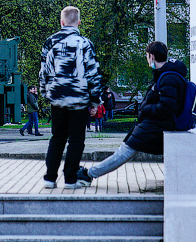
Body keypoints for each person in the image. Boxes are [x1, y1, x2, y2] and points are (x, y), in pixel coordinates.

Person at [76, 41, 187, 186]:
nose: (147, 59)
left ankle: (88, 175)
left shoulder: (168, 78)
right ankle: (89, 173)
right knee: (123, 151)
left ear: (151, 56)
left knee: (123, 153)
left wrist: (145, 109)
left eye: (147, 56)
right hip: (155, 126)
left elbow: (167, 107)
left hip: (155, 127)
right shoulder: (167, 75)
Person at [39, 6, 102, 189]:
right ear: (79, 22)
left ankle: (50, 178)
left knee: (56, 138)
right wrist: (95, 101)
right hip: (79, 99)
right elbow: (93, 74)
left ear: (61, 22)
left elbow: (43, 72)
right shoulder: (85, 44)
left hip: (57, 98)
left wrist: (45, 94)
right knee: (76, 140)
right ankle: (70, 179)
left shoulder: (49, 42)